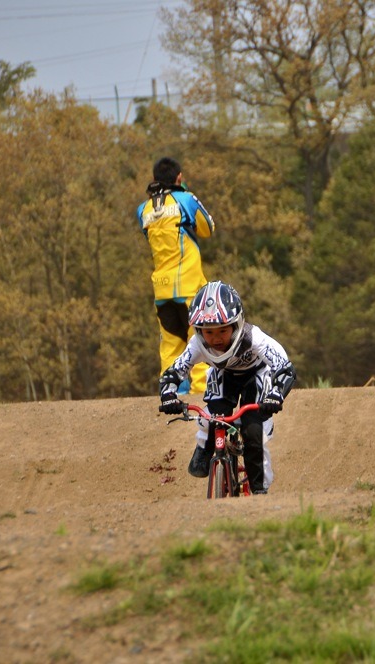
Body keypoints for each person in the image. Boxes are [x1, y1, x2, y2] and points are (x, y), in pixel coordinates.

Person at [158, 280, 297, 494]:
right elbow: (174, 372)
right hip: (224, 375)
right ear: (199, 330)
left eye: (223, 330)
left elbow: (284, 367)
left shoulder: (254, 338)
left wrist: (276, 395)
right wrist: (168, 395)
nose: (216, 339)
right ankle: (205, 446)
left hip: (256, 375)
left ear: (236, 324)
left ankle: (260, 490)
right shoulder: (196, 345)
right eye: (209, 332)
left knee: (253, 431)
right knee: (214, 416)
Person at [137, 156, 214, 394]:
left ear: (153, 179)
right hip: (189, 285)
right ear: (179, 177)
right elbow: (207, 228)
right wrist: (185, 194)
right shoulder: (186, 200)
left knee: (171, 345)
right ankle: (202, 395)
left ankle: (171, 394)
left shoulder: (143, 209)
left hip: (161, 287)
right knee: (200, 340)